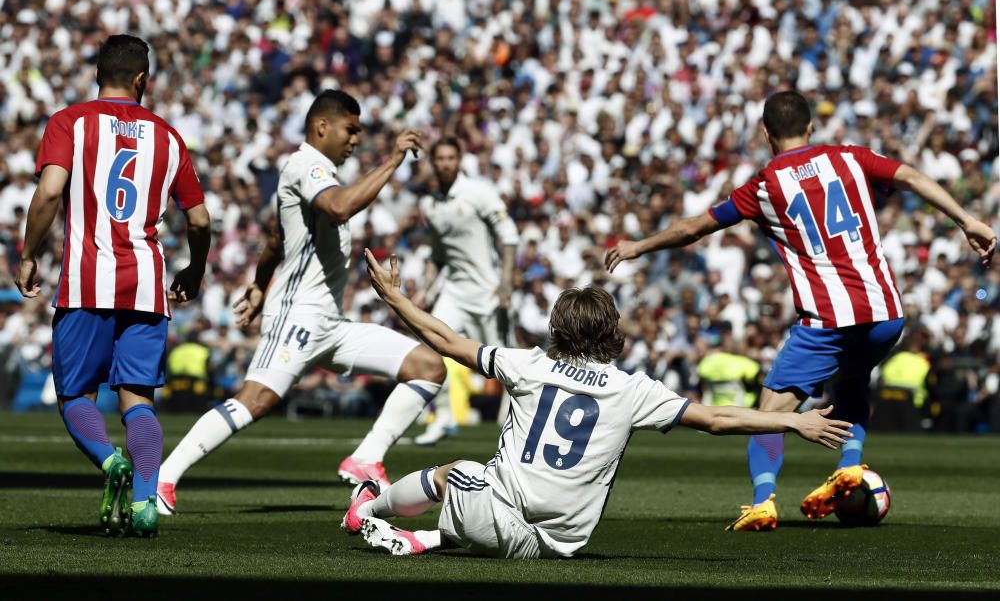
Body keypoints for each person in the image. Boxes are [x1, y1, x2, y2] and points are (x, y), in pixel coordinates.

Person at [605, 90, 996, 531]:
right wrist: (967, 220)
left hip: (828, 319)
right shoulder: (851, 158)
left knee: (768, 414)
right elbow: (913, 177)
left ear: (766, 134)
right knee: (852, 384)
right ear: (811, 126)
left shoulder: (765, 185)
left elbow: (693, 227)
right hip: (886, 313)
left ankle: (763, 500)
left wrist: (638, 246)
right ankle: (849, 468)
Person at [338, 250, 852, 558]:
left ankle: (367, 511)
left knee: (458, 471)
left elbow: (447, 341)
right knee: (479, 504)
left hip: (500, 517)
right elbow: (717, 418)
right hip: (561, 543)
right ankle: (424, 540)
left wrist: (396, 300)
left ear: (558, 329)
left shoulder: (530, 363)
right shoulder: (633, 389)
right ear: (612, 332)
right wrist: (793, 421)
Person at [157, 90, 446, 514]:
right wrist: (394, 159)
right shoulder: (308, 164)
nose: (355, 140)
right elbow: (341, 207)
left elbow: (277, 239)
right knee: (256, 399)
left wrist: (257, 285)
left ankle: (365, 458)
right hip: (298, 315)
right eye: (351, 130)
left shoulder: (316, 170)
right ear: (322, 127)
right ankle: (163, 478)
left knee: (428, 365)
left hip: (328, 321)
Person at [14, 34, 211, 537]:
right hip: (147, 283)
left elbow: (50, 191)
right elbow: (201, 219)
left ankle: (108, 461)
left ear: (96, 74)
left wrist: (28, 253)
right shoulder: (168, 136)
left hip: (86, 282)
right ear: (143, 80)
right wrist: (194, 269)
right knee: (138, 399)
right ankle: (146, 501)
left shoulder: (70, 122)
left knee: (75, 395)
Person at [414, 137, 518, 446]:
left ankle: (521, 426)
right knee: (431, 346)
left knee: (507, 364)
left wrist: (506, 283)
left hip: (487, 292)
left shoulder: (478, 193)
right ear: (433, 163)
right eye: (440, 158)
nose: (445, 163)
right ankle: (443, 417)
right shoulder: (430, 205)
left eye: (450, 157)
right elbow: (438, 255)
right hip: (455, 292)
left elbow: (509, 236)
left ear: (459, 161)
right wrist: (425, 289)